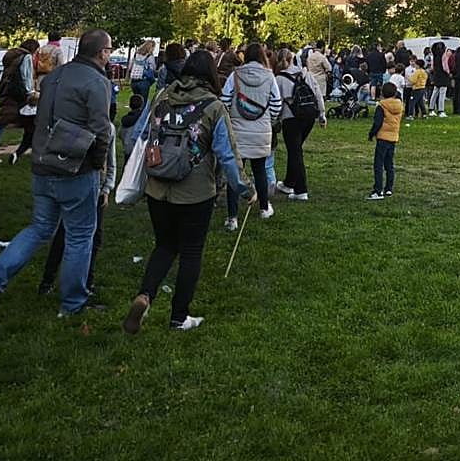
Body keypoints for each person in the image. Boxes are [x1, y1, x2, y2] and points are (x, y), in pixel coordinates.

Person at [0, 29, 114, 322]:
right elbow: (101, 131)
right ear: (102, 52)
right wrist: (98, 166)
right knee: (80, 235)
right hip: (76, 168)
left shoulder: (54, 78)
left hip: (42, 163)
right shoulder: (97, 82)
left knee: (39, 227)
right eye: (109, 50)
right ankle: (73, 302)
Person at [123, 50, 253, 333]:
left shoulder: (162, 98)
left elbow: (140, 136)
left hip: (158, 188)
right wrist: (245, 189)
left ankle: (145, 294)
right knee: (191, 252)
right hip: (195, 192)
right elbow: (228, 155)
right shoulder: (213, 107)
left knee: (165, 246)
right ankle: (179, 316)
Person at [40, 114, 117, 298]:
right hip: (75, 188)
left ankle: (86, 282)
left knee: (95, 239)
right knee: (64, 235)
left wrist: (106, 188)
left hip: (96, 191)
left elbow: (110, 161)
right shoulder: (72, 125)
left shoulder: (109, 129)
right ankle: (48, 280)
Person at [221, 42, 280, 225]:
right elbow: (277, 104)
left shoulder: (235, 75)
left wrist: (232, 118)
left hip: (238, 129)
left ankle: (232, 217)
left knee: (235, 173)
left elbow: (224, 100)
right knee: (260, 170)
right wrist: (267, 121)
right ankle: (263, 208)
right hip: (261, 130)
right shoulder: (269, 77)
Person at [274, 48, 326, 202]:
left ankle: (301, 190)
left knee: (295, 152)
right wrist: (322, 114)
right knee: (295, 150)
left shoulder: (279, 79)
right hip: (309, 116)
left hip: (291, 118)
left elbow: (277, 103)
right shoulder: (306, 74)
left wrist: (274, 120)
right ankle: (289, 182)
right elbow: (317, 94)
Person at [0, 40, 39, 165]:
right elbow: (26, 76)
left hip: (8, 92)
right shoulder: (26, 57)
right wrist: (31, 92)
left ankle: (21, 150)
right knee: (23, 122)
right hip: (19, 95)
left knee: (6, 121)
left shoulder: (11, 56)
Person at [366, 81, 404, 199]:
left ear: (382, 93)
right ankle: (388, 188)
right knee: (389, 164)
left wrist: (372, 133)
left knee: (378, 164)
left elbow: (378, 122)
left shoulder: (381, 106)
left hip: (382, 137)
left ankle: (378, 190)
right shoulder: (399, 105)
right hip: (393, 137)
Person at [429, 41, 450, 117]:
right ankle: (441, 110)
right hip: (443, 76)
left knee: (435, 92)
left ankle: (431, 109)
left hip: (436, 75)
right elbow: (445, 67)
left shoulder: (434, 55)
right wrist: (448, 72)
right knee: (442, 93)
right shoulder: (443, 55)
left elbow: (432, 67)